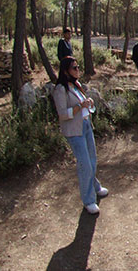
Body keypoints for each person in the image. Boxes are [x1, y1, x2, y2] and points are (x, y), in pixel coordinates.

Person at [52, 56, 109, 214]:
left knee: (92, 159)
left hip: (85, 126)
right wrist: (79, 106)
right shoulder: (60, 89)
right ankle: (88, 200)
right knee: (84, 164)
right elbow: (63, 114)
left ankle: (95, 186)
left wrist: (88, 102)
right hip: (74, 131)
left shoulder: (76, 85)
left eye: (78, 67)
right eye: (74, 68)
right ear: (66, 71)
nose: (78, 70)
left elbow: (83, 105)